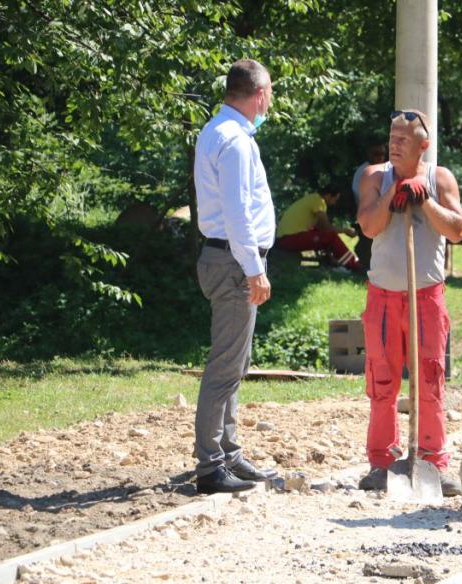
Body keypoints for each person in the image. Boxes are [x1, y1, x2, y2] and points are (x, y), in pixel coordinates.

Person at [356, 110, 462, 496]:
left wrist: (424, 201)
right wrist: (394, 194)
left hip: (427, 297)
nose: (395, 143)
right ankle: (382, 462)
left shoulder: (440, 178)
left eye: (404, 138)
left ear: (424, 145)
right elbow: (369, 226)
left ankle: (433, 461)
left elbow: (456, 230)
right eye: (392, 136)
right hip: (384, 297)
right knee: (382, 381)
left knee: (429, 379)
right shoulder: (375, 177)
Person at [192, 59, 279, 494]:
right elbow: (238, 214)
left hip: (223, 258)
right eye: (270, 95)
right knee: (226, 365)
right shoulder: (237, 142)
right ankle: (210, 466)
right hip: (233, 262)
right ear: (259, 94)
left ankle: (229, 451)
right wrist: (255, 270)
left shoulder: (215, 130)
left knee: (235, 361)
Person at [275, 185, 363, 271]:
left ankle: (333, 261)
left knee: (322, 235)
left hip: (284, 239)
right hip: (289, 239)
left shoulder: (312, 199)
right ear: (328, 195)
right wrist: (345, 231)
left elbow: (321, 228)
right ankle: (354, 265)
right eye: (335, 199)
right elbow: (327, 228)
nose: (335, 202)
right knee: (331, 236)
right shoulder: (318, 201)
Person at [351, 143, 387, 269]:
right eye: (376, 154)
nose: (380, 157)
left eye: (382, 154)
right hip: (367, 215)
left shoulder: (384, 170)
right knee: (368, 246)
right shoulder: (364, 172)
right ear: (369, 154)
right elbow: (362, 198)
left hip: (380, 214)